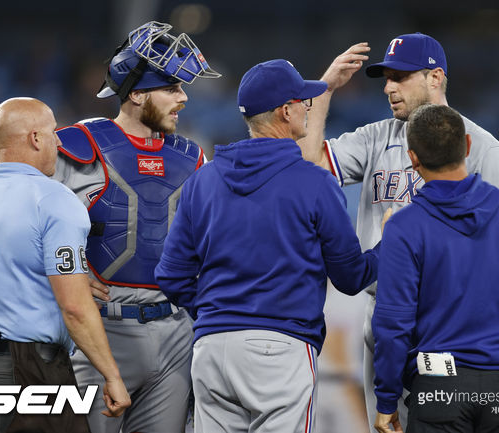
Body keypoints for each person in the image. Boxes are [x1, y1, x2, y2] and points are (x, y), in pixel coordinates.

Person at [297, 32, 499, 431]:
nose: (388, 87)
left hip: (449, 322)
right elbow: (309, 168)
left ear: (435, 78)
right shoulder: (376, 137)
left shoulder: (485, 150)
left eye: (400, 77)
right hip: (382, 317)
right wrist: (325, 89)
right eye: (386, 77)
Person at [155, 59, 381, 433]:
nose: (307, 107)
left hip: (212, 347)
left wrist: (220, 312)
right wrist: (391, 246)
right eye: (302, 101)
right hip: (279, 348)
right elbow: (351, 276)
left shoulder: (203, 180)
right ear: (285, 110)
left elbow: (171, 275)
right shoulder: (314, 182)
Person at [52, 21, 220, 433]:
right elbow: (24, 223)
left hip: (177, 330)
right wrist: (60, 268)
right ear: (137, 94)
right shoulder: (77, 146)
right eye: (172, 88)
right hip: (102, 329)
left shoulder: (192, 156)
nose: (183, 98)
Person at [0, 97, 131, 433]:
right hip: (33, 374)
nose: (59, 141)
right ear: (35, 138)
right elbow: (74, 307)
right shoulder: (55, 199)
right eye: (53, 132)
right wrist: (112, 375)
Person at [372, 104, 499, 433]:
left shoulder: (404, 227)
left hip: (438, 385)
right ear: (468, 147)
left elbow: (392, 325)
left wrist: (387, 400)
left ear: (413, 158)